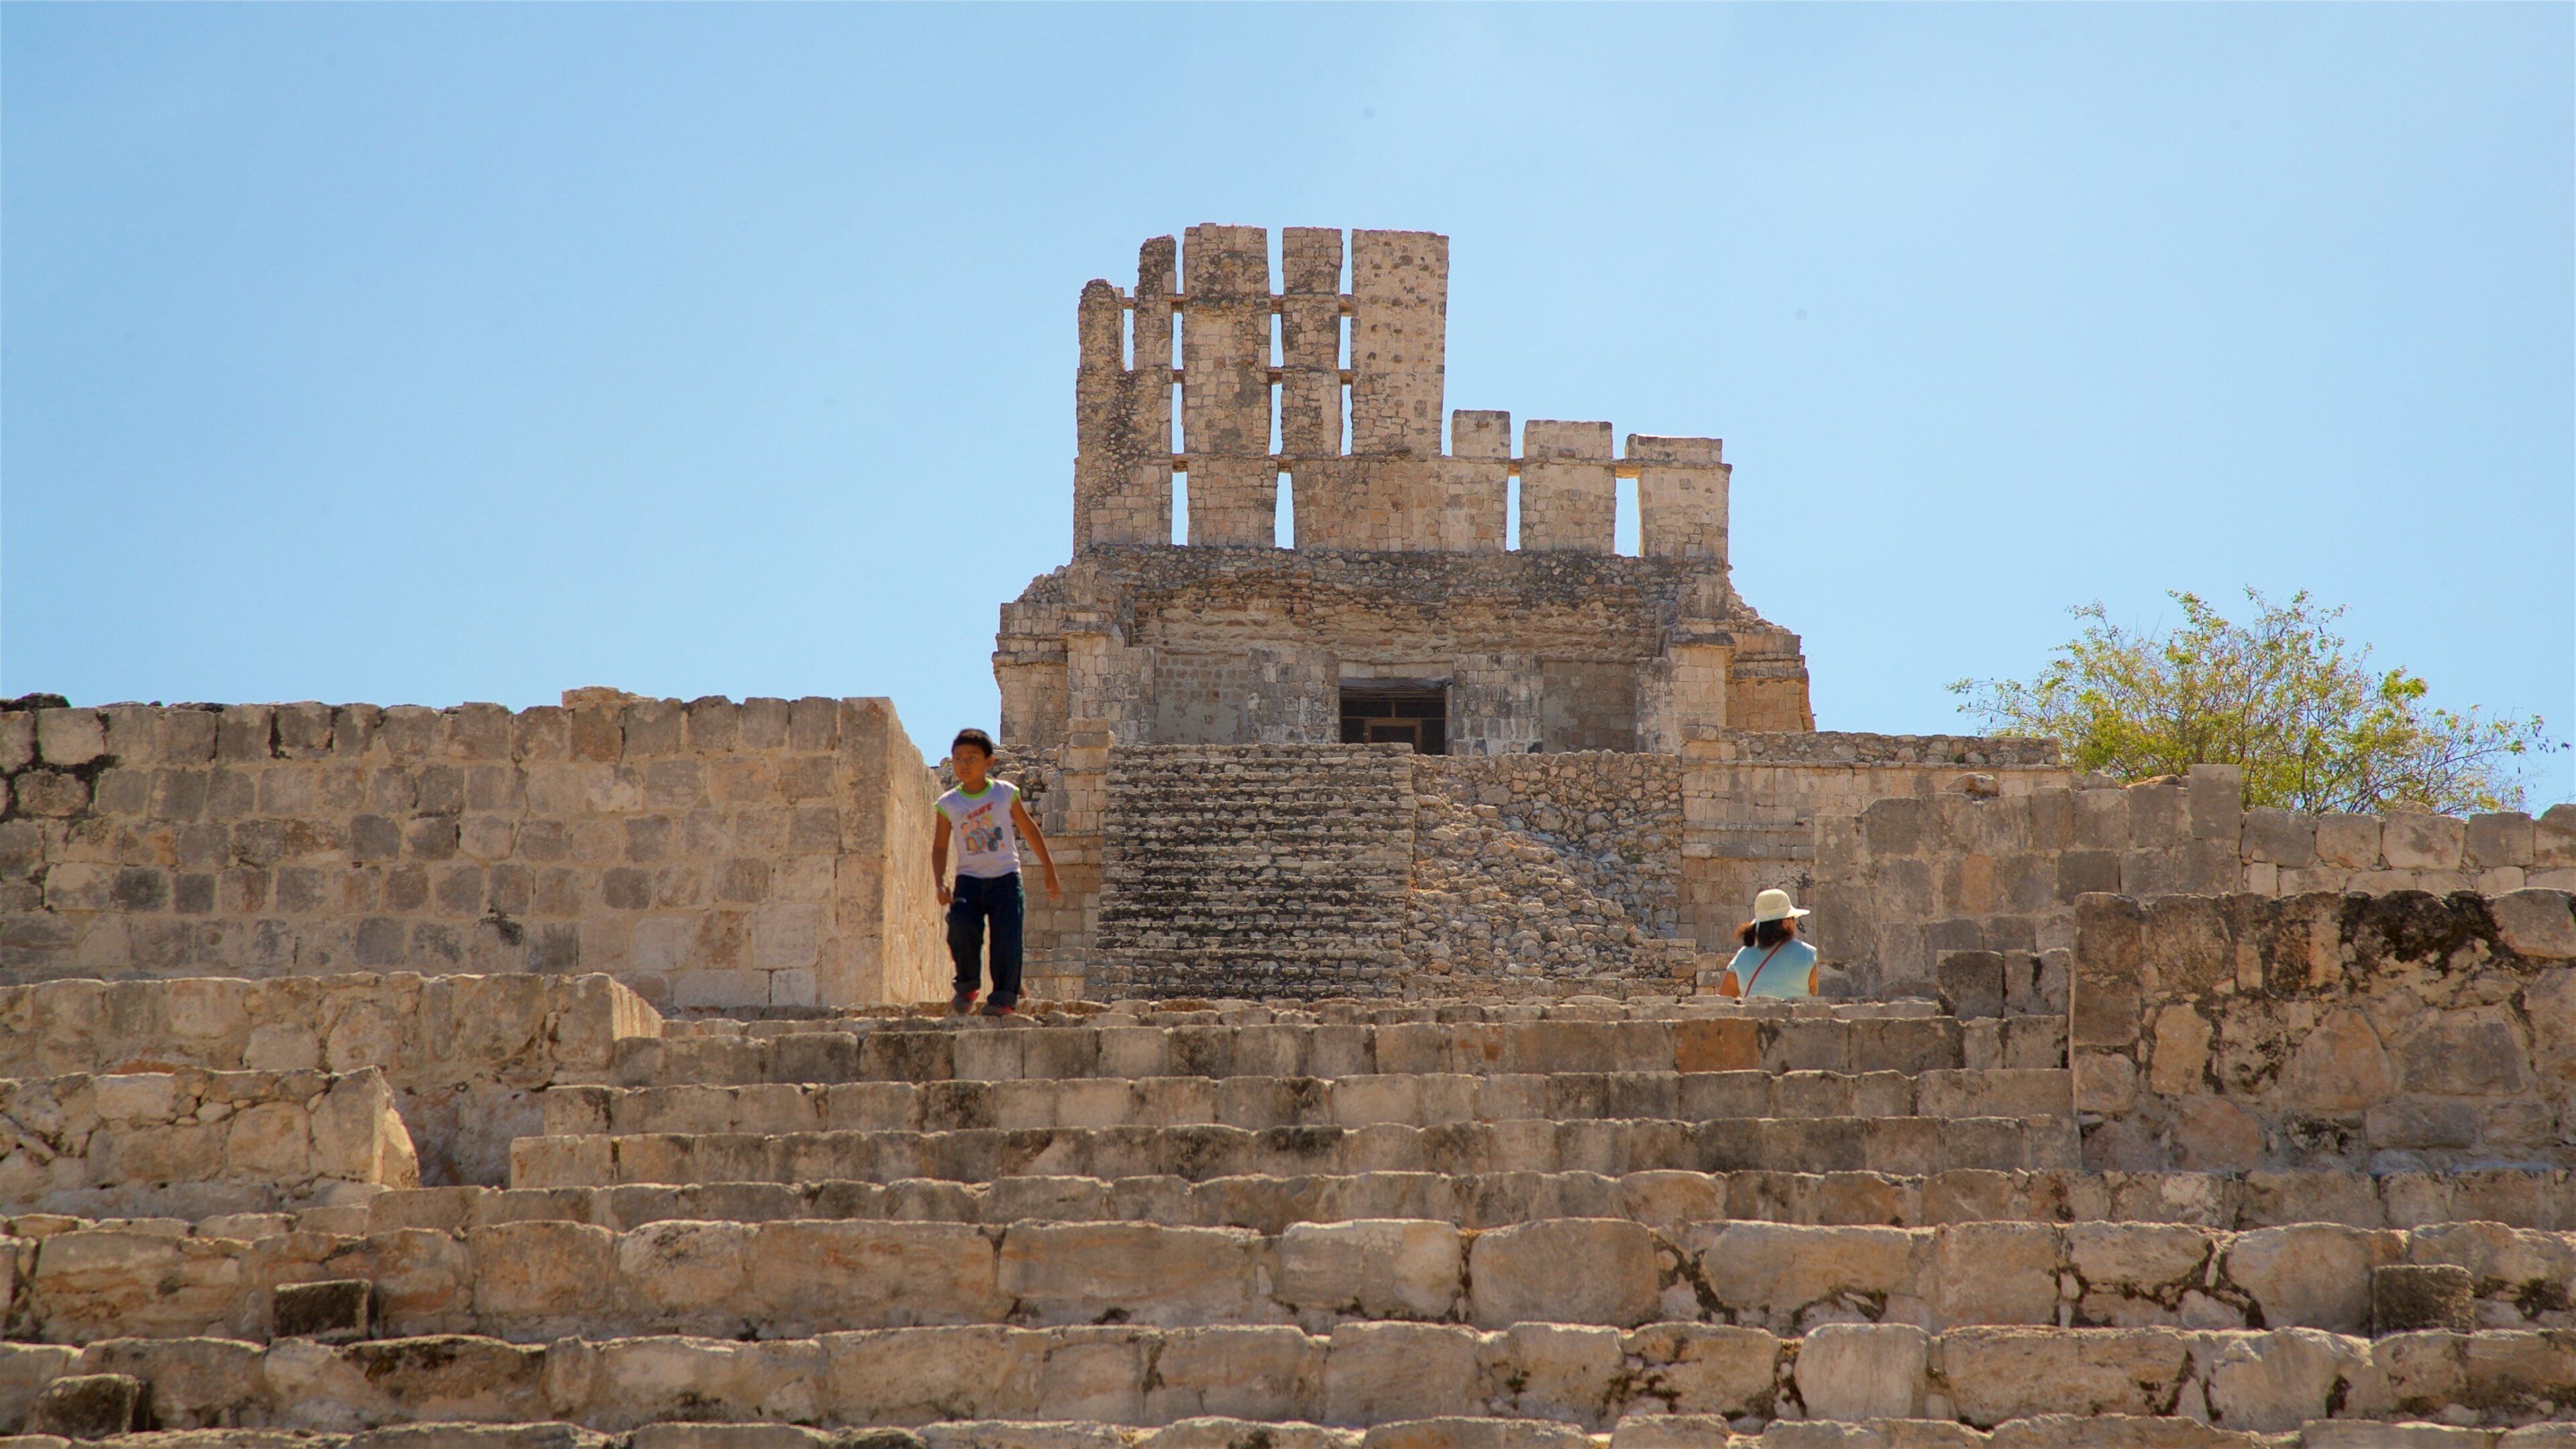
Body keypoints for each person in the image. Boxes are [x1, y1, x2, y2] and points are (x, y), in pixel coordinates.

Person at [928, 729, 1061, 1016]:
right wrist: (940, 883)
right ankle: (968, 985)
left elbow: (1029, 829)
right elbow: (939, 848)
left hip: (1006, 879)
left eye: (972, 758)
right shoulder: (948, 803)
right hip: (969, 882)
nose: (964, 764)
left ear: (989, 762)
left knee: (1007, 939)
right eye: (958, 758)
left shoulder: (1005, 793)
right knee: (961, 928)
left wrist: (1049, 869)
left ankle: (1003, 998)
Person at [1715, 888, 1819, 999]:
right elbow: (1823, 1002)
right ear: (1790, 920)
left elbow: (1723, 1001)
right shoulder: (1809, 955)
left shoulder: (1742, 957)